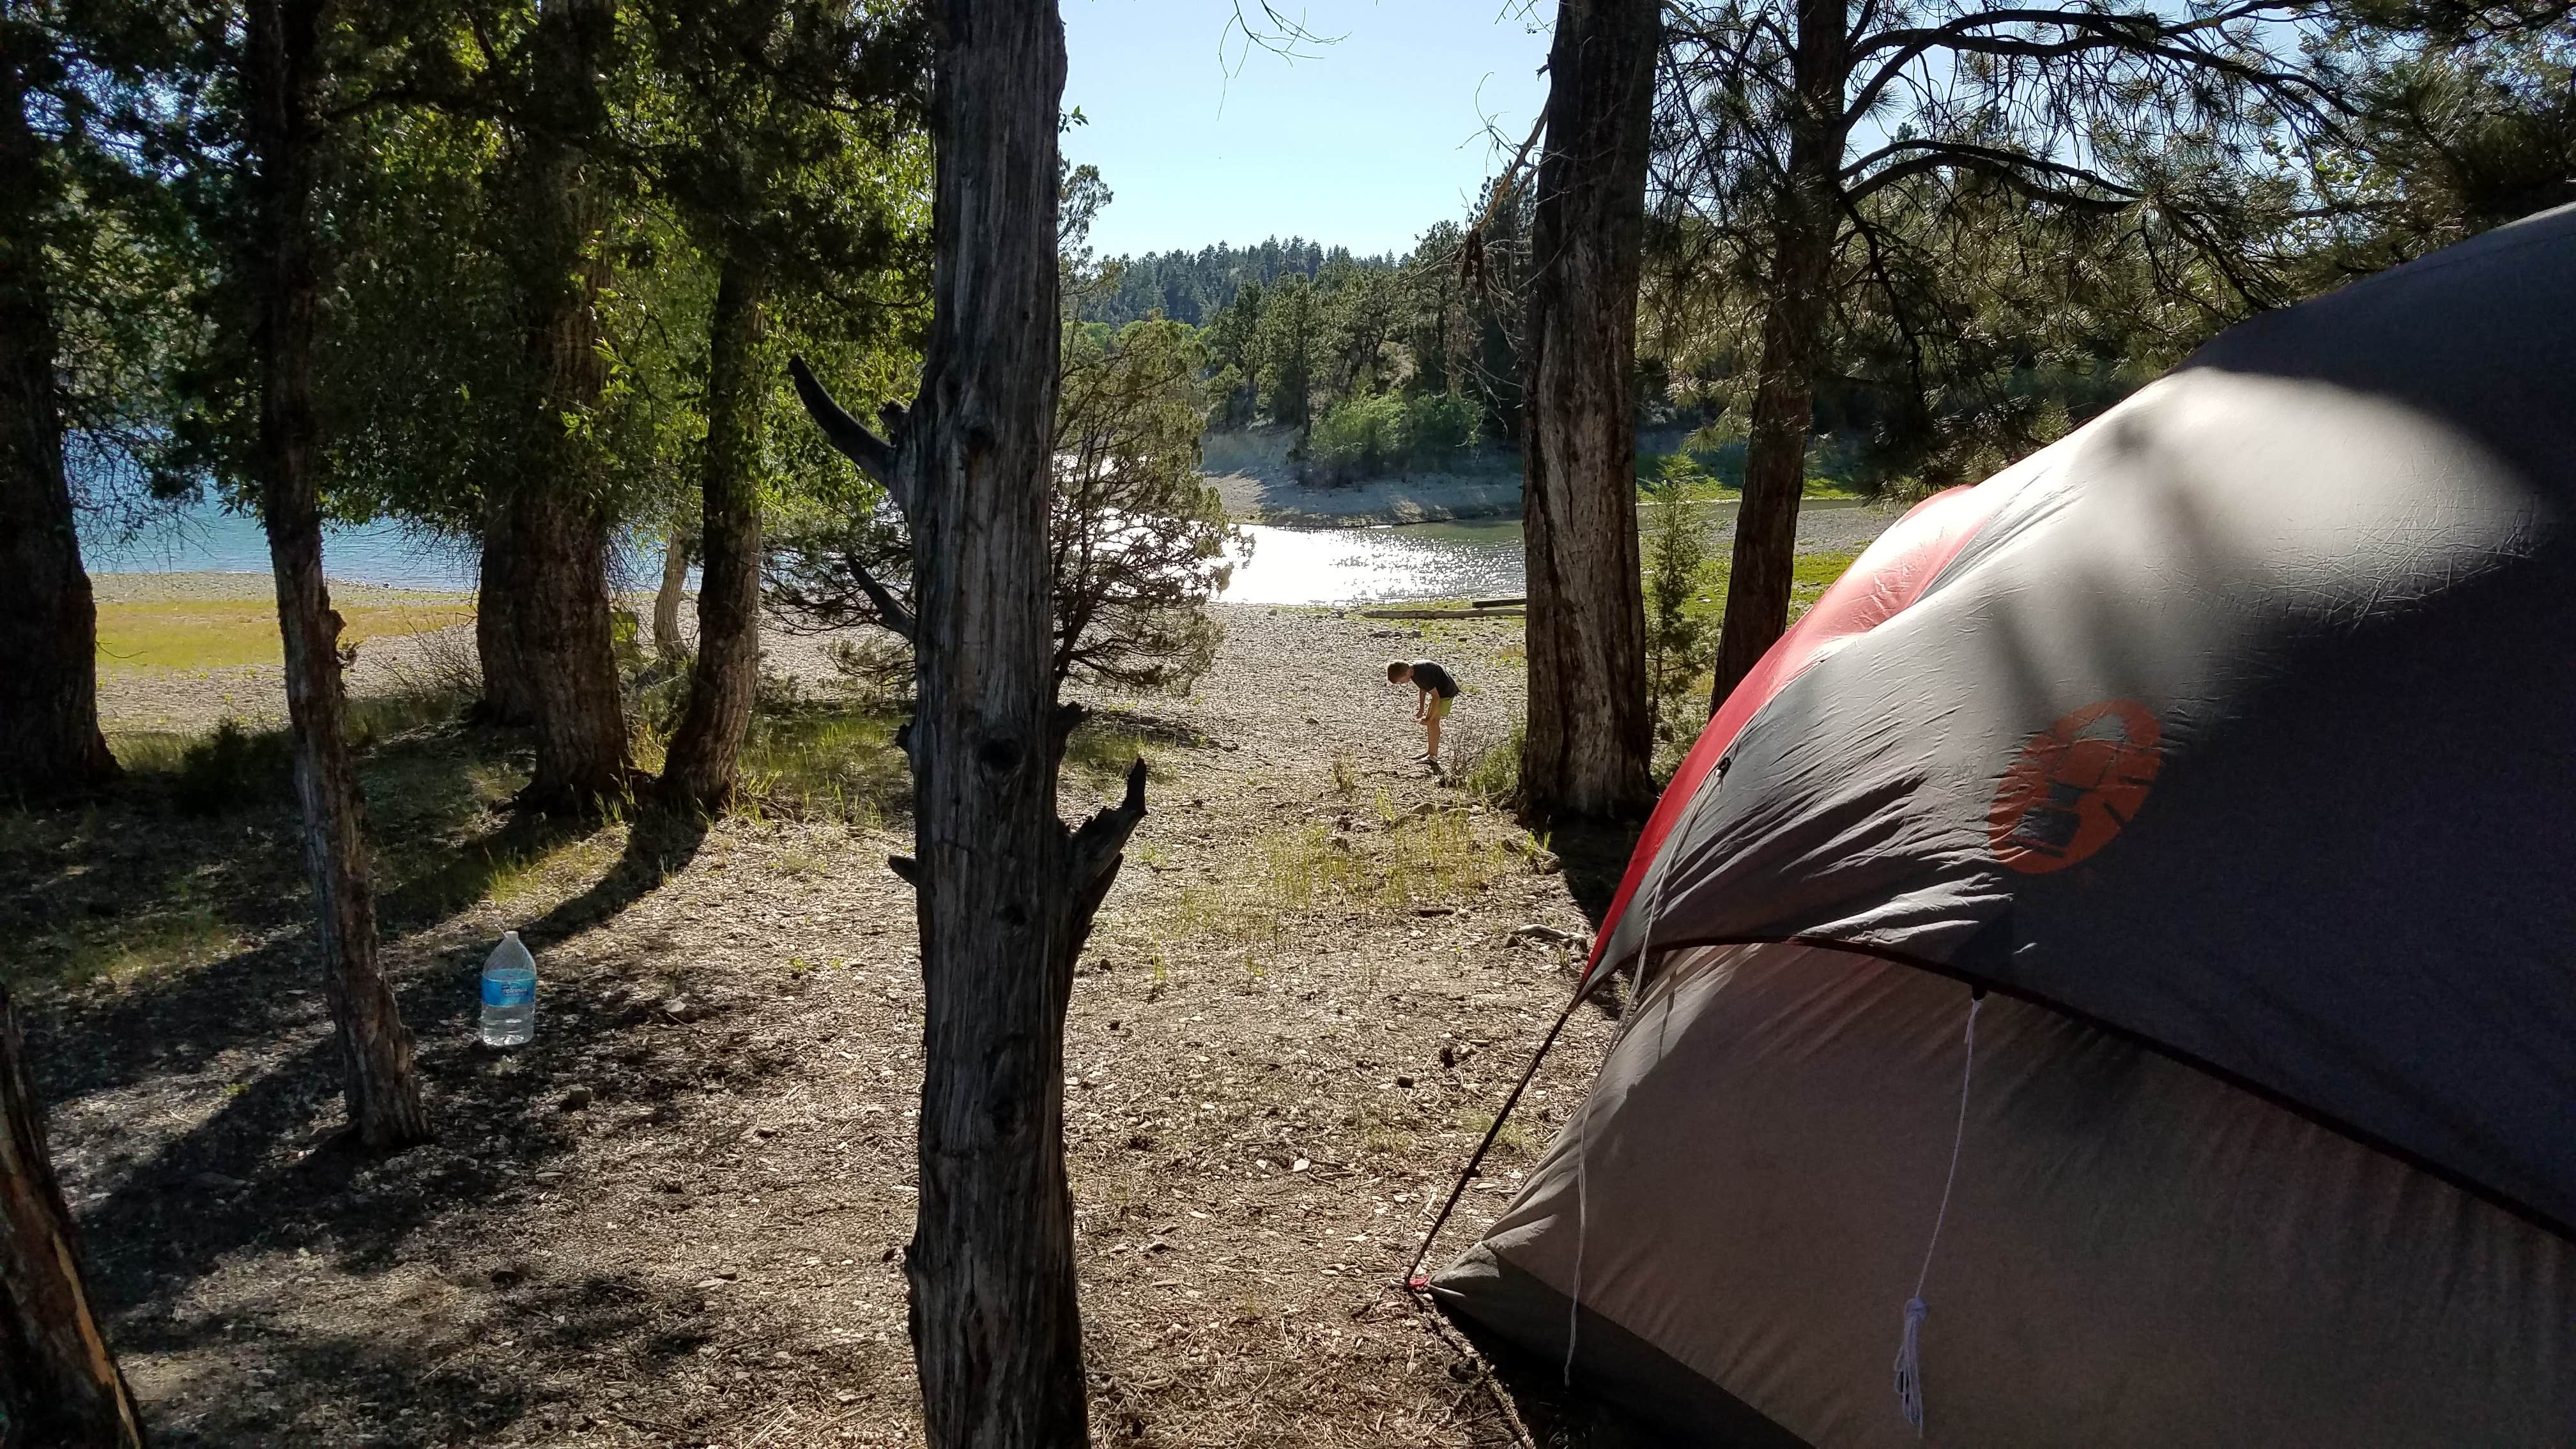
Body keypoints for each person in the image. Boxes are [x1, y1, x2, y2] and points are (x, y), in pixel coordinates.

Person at [1386, 658, 1460, 764]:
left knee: (1433, 722)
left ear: (1406, 672)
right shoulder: (1414, 672)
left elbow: (1436, 698)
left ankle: (1433, 756)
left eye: (1401, 681)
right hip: (1440, 693)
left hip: (1446, 692)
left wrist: (1429, 718)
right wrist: (1422, 708)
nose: (1403, 684)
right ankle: (1430, 752)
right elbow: (1423, 689)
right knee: (1430, 722)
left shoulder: (1422, 674)